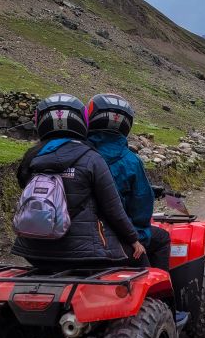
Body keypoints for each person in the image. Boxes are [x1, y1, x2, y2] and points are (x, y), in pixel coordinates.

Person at [12, 93, 146, 268]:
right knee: (142, 259)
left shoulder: (31, 157)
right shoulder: (91, 158)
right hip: (82, 254)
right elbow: (113, 208)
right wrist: (134, 239)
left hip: (31, 251)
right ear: (82, 120)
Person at [86, 93, 171, 271]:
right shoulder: (131, 161)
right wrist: (138, 237)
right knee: (162, 238)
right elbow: (141, 208)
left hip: (77, 237)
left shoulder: (79, 154)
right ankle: (163, 295)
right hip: (116, 239)